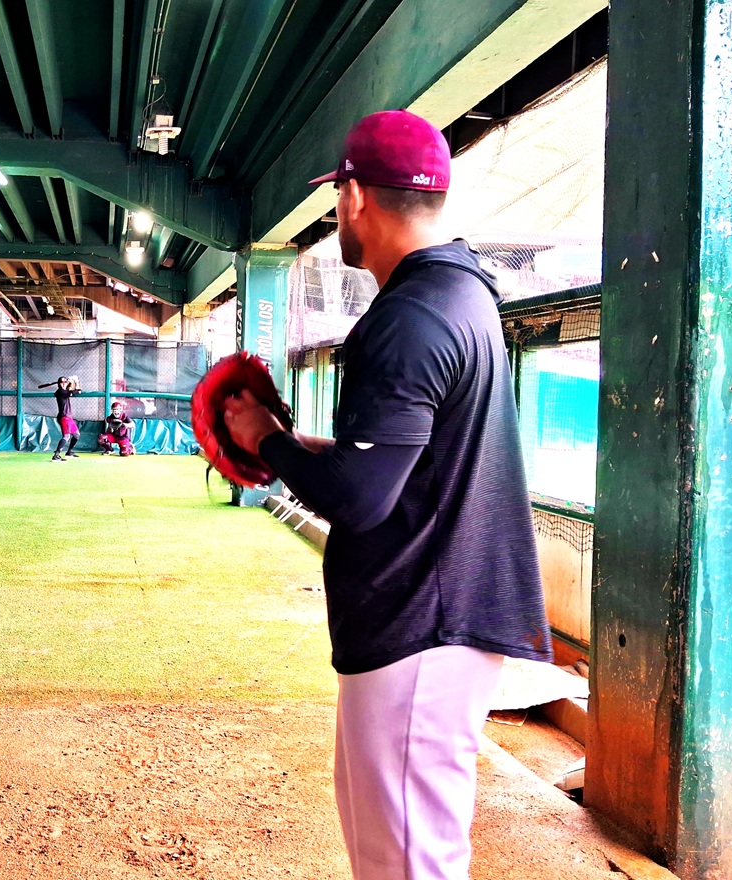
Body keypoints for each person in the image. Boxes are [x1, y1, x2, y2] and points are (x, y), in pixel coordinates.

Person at [223, 110, 552, 880]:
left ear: (354, 197)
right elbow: (403, 464)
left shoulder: (409, 317)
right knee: (397, 854)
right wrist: (298, 444)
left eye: (336, 196)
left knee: (407, 864)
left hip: (421, 625)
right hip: (435, 618)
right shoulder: (458, 291)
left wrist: (265, 440)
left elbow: (361, 497)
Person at [51, 375, 80, 462]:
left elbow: (71, 389)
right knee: (66, 436)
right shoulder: (60, 392)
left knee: (77, 435)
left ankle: (69, 452)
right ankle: (56, 455)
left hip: (69, 417)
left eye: (65, 382)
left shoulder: (65, 391)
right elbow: (77, 391)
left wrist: (72, 381)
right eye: (62, 382)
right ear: (59, 384)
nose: (64, 383)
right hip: (64, 417)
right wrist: (76, 381)